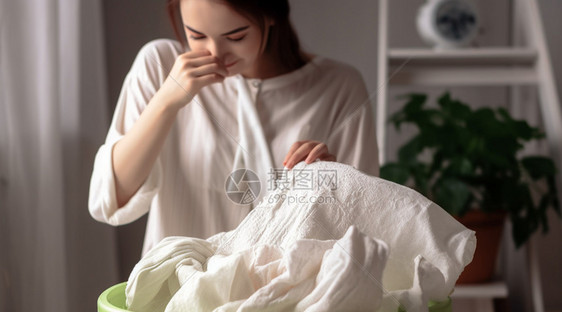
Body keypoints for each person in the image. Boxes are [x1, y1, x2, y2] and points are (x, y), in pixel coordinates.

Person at [89, 0, 379, 256]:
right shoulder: (160, 65)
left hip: (286, 308)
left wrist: (330, 178)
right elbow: (109, 201)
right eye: (196, 35)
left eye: (236, 36)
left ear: (271, 15)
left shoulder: (339, 88)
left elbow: (361, 233)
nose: (216, 53)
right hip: (175, 304)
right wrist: (166, 102)